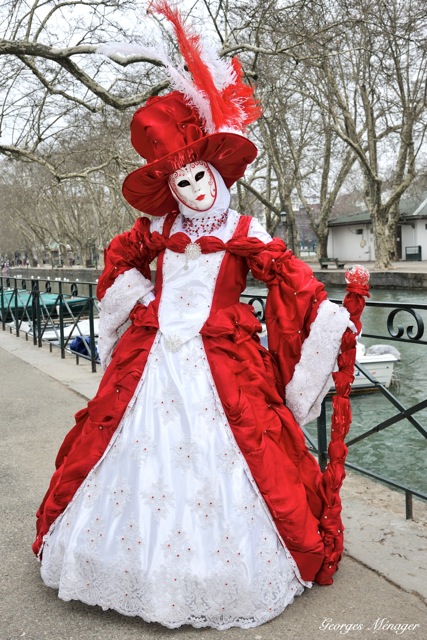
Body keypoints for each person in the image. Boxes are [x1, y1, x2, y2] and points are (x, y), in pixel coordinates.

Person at [33, 2, 369, 630]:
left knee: (243, 456)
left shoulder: (246, 229)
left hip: (223, 360)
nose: (192, 191)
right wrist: (139, 299)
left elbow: (286, 276)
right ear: (172, 190)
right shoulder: (155, 231)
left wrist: (328, 315)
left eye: (198, 178)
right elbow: (117, 262)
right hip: (153, 355)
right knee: (123, 448)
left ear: (216, 172)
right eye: (180, 184)